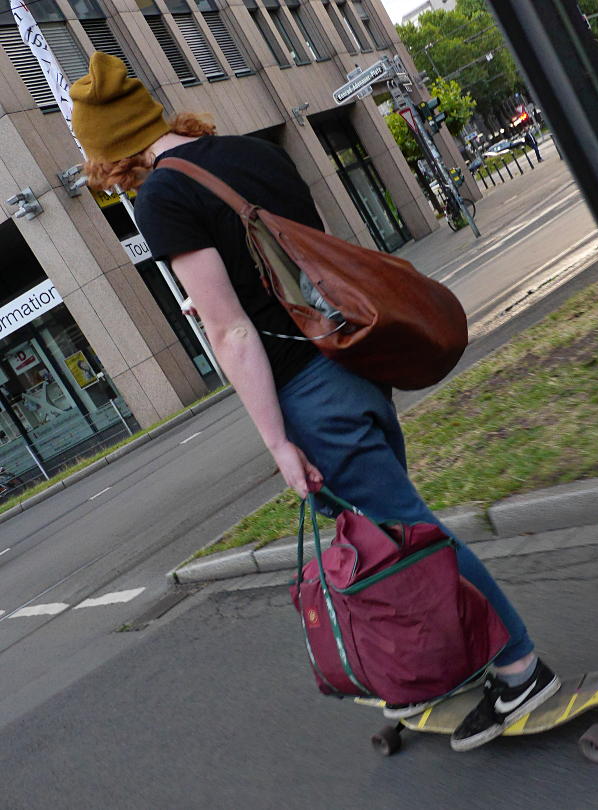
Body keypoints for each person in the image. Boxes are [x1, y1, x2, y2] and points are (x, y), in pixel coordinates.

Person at [70, 51, 561, 752]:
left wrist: (277, 445)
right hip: (353, 365)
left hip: (309, 393)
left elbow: (231, 327)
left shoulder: (162, 199)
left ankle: (521, 669)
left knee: (407, 531)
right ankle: (453, 672)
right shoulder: (247, 153)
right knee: (391, 538)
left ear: (109, 153)